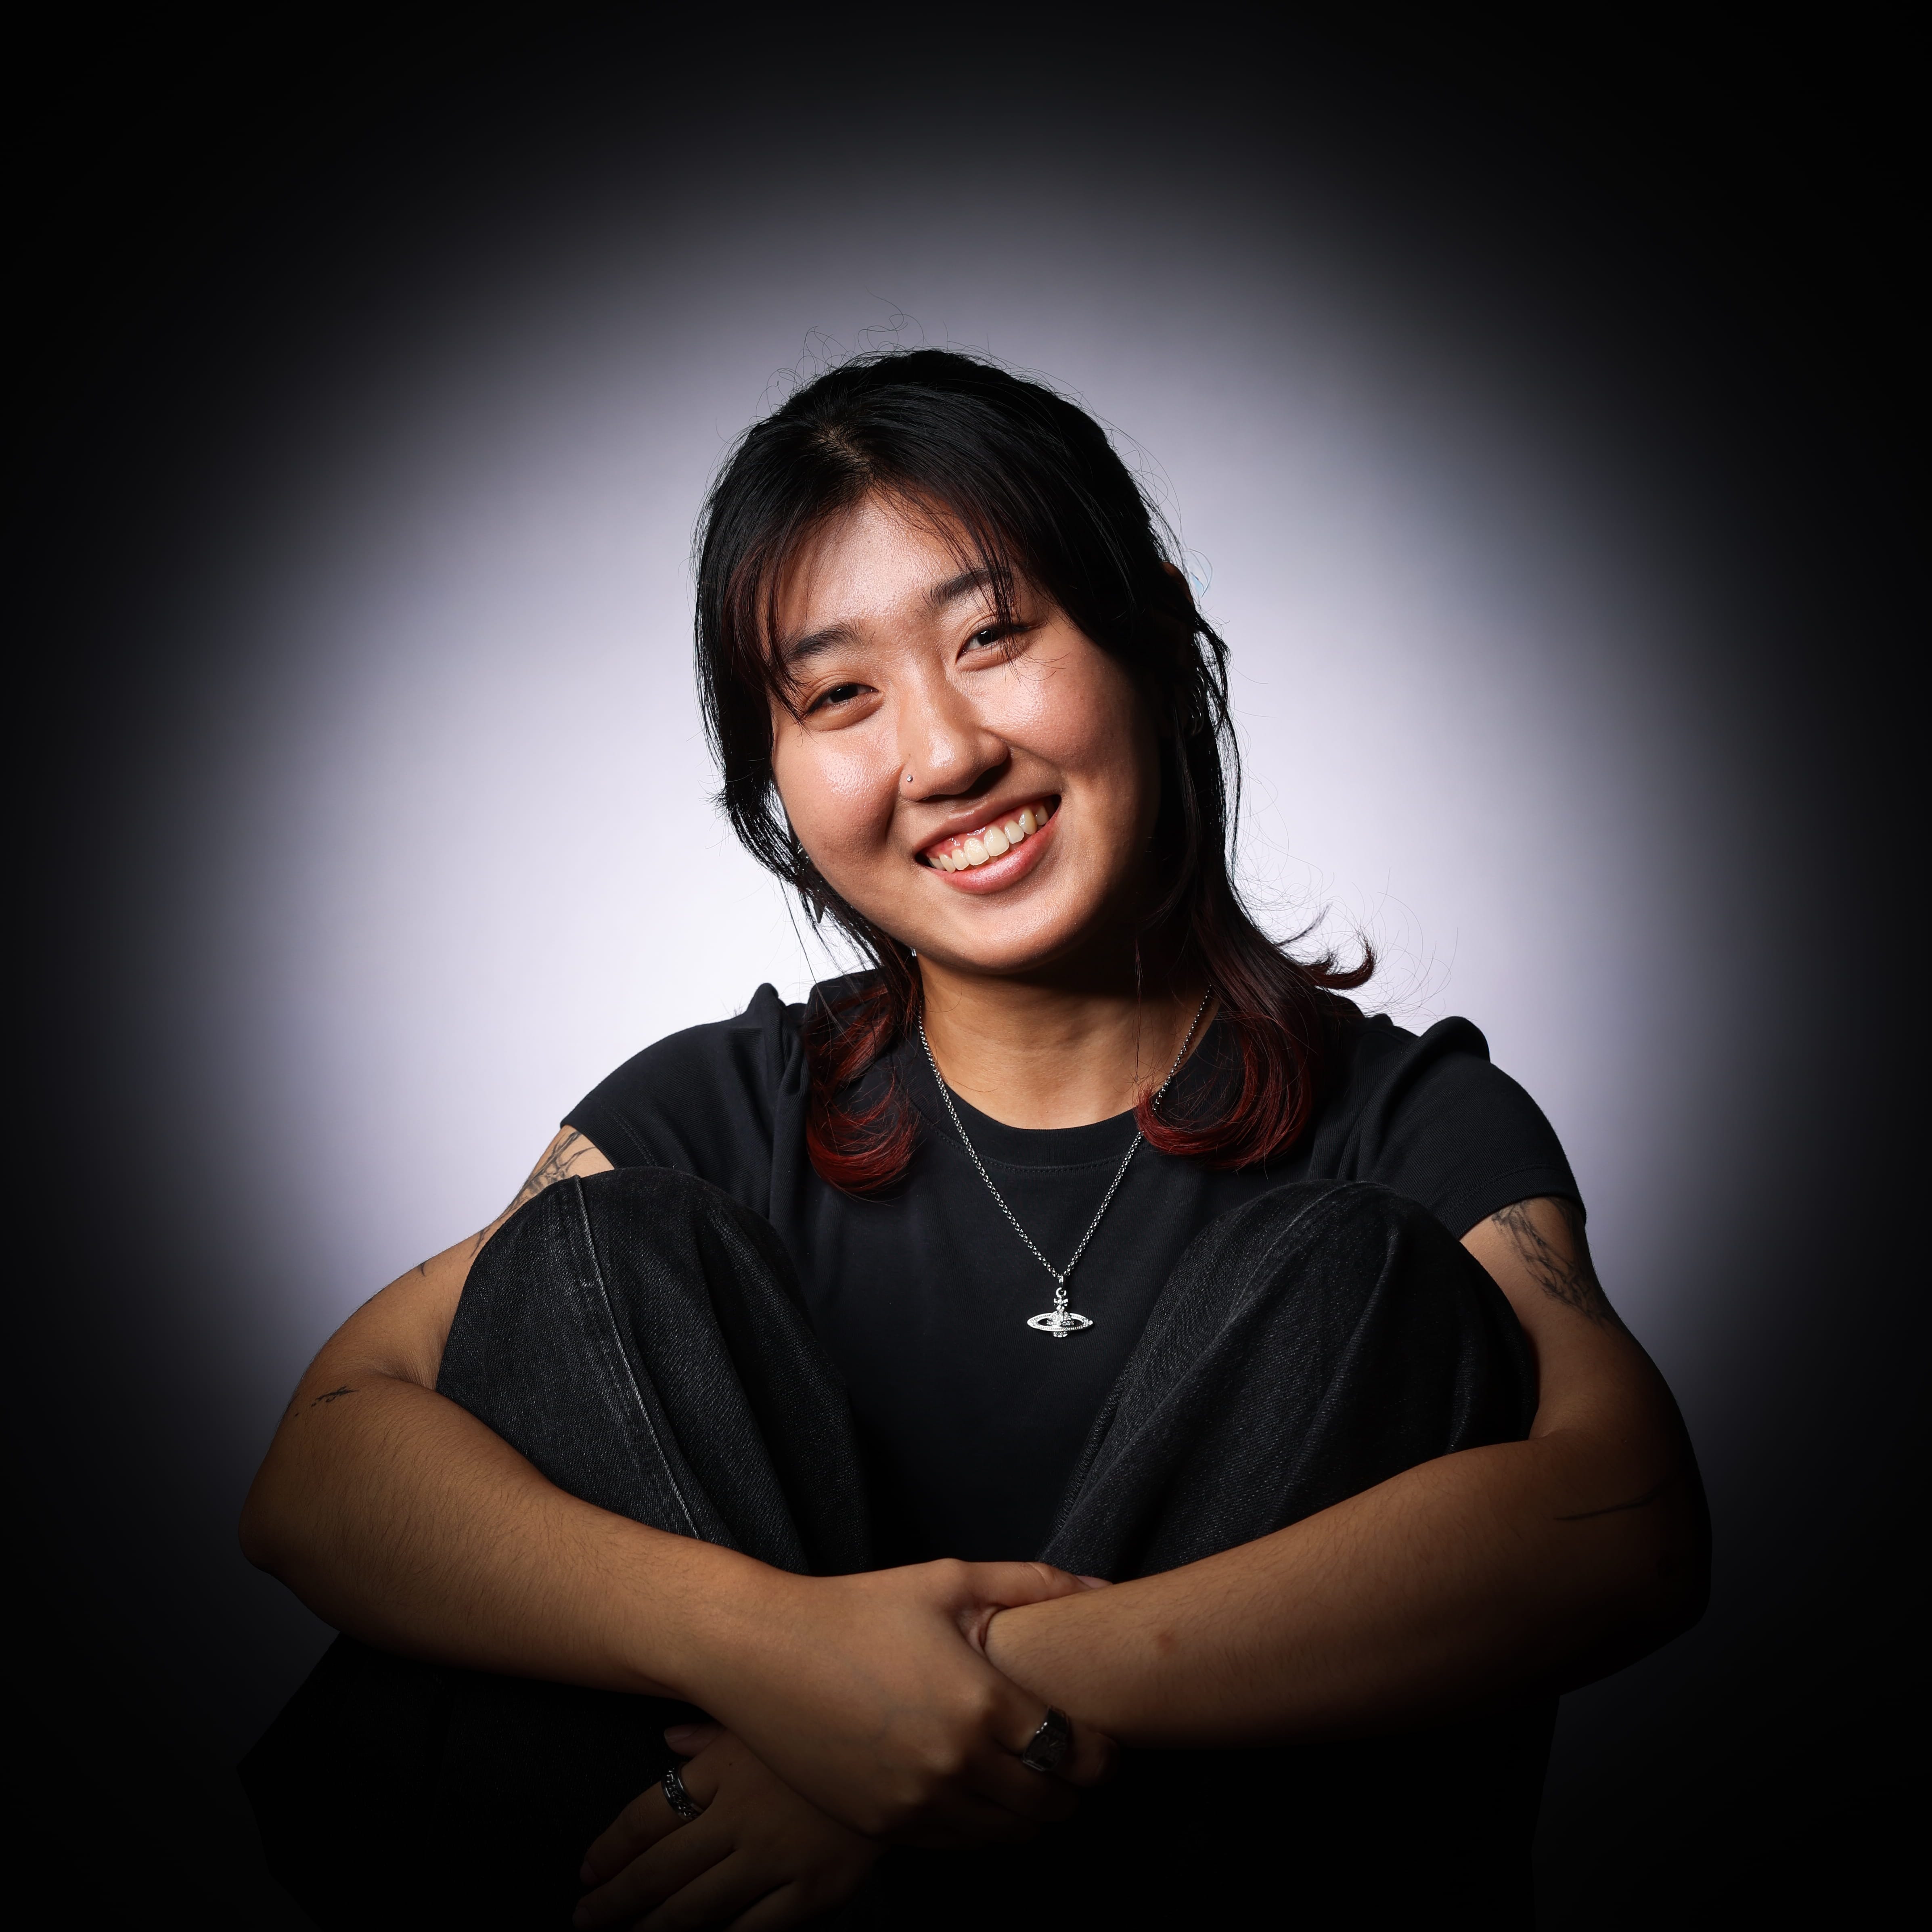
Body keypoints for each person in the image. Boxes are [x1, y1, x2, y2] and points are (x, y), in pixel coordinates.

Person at [239, 350, 1707, 1930]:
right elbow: (320, 1465)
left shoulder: (1409, 1120)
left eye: (993, 637)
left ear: (1152, 635)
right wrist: (774, 1653)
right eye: (839, 695)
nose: (943, 756)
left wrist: (950, 1705)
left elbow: (1628, 1518)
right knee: (598, 1252)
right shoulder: (712, 1109)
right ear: (775, 781)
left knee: (1361, 1280)